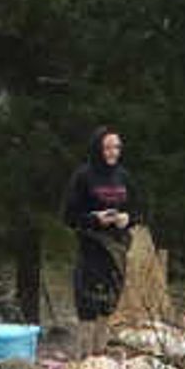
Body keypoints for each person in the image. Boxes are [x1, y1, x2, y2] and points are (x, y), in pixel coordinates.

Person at [59, 127, 140, 323]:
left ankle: (102, 350)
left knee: (109, 306)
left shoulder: (124, 176)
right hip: (91, 247)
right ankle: (86, 350)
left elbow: (140, 209)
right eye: (108, 148)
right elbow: (68, 216)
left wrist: (127, 218)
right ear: (98, 149)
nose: (113, 152)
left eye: (117, 148)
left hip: (118, 248)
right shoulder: (84, 176)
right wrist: (96, 219)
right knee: (89, 305)